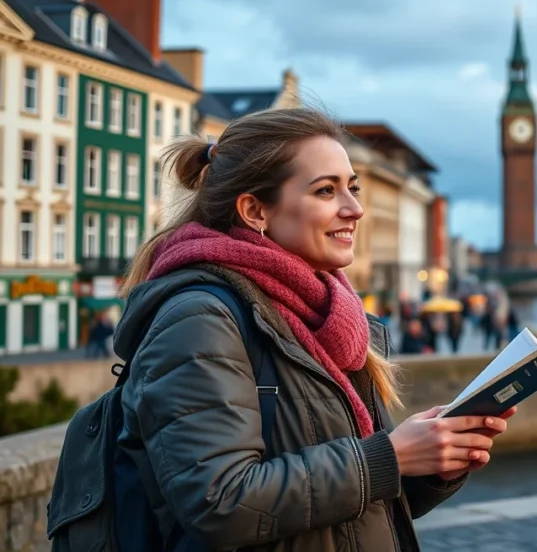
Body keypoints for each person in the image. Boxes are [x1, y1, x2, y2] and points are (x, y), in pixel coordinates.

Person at [89, 108, 515, 550]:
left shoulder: (329, 316)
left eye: (352, 187)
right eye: (326, 191)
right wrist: (390, 455)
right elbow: (219, 503)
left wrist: (432, 463)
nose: (355, 209)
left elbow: (349, 511)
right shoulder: (199, 318)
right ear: (255, 210)